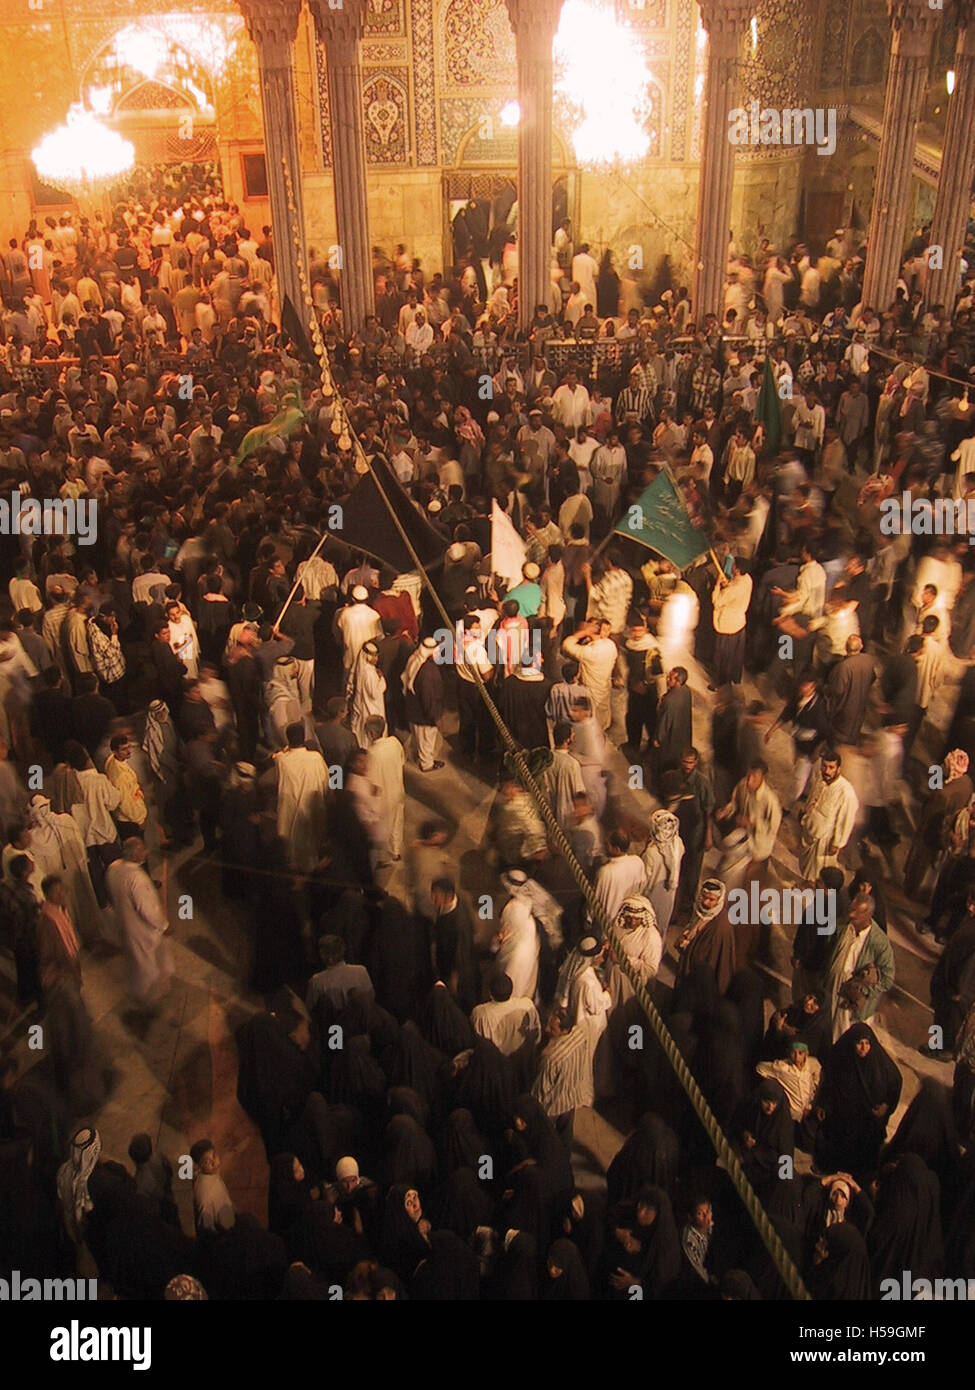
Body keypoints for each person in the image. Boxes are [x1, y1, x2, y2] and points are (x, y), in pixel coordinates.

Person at [105, 837, 172, 1009]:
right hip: (142, 930)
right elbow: (147, 909)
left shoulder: (113, 869)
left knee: (135, 962)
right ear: (135, 855)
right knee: (148, 965)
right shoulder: (137, 878)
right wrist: (163, 925)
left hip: (124, 925)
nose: (146, 852)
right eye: (142, 849)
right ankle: (149, 1001)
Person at [275, 722, 329, 872]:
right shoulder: (316, 757)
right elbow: (327, 781)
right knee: (311, 845)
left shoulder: (281, 760)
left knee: (293, 848)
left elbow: (278, 755)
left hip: (291, 809)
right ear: (304, 738)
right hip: (312, 806)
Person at [798, 749, 858, 883]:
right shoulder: (820, 778)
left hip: (825, 841)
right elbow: (812, 799)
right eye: (824, 766)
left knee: (820, 875)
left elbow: (846, 821)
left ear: (838, 769)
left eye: (831, 767)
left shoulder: (846, 793)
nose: (827, 771)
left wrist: (837, 843)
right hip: (810, 832)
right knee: (805, 869)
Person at [402, 636, 444, 772]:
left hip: (413, 708)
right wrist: (435, 717)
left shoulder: (414, 659)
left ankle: (422, 758)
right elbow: (428, 697)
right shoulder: (428, 672)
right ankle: (427, 764)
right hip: (423, 714)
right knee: (427, 741)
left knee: (419, 738)